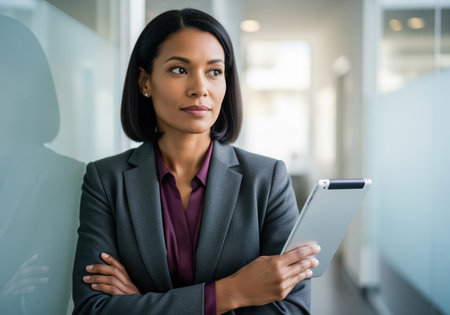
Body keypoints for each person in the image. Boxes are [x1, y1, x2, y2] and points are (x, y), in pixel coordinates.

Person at [72, 8, 320, 314]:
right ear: (144, 81)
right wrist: (233, 292)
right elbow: (92, 309)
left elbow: (292, 310)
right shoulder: (106, 180)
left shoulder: (267, 180)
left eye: (214, 71)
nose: (200, 88)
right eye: (179, 69)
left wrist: (139, 302)